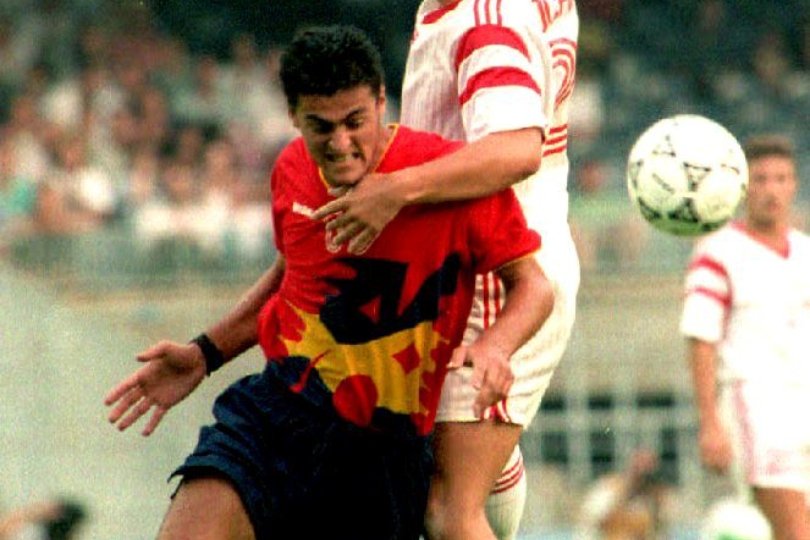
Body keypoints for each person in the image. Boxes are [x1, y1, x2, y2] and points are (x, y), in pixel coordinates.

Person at [104, 25, 554, 540]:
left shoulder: (451, 179)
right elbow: (290, 279)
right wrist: (205, 353)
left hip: (383, 449)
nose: (341, 145)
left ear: (383, 102)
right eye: (321, 127)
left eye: (355, 122)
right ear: (294, 117)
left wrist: (497, 346)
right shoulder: (291, 170)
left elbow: (534, 286)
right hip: (278, 417)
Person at [312, 1, 581, 537]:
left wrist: (394, 190)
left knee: (446, 510)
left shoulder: (486, 20)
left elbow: (515, 148)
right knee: (456, 483)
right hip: (496, 254)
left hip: (496, 271)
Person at [680, 134, 810, 539]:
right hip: (756, 405)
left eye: (781, 179)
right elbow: (701, 338)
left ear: (794, 185)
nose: (771, 190)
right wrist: (710, 421)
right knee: (794, 530)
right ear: (742, 187)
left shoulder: (805, 252)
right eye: (761, 180)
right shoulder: (717, 252)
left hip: (803, 399)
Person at [574, 449, 671, 540]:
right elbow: (589, 523)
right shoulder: (607, 490)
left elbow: (660, 532)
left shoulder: (656, 499)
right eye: (641, 474)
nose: (644, 481)